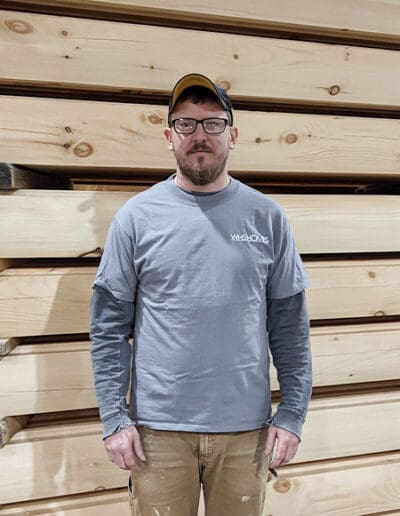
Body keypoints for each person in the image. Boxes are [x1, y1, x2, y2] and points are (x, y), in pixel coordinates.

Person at [90, 73, 312, 516]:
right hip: (158, 433)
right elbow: (108, 327)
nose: (199, 136)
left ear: (232, 135)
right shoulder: (136, 218)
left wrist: (292, 414)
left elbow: (290, 325)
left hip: (246, 432)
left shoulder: (267, 218)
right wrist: (114, 419)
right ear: (169, 137)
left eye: (212, 124)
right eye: (186, 124)